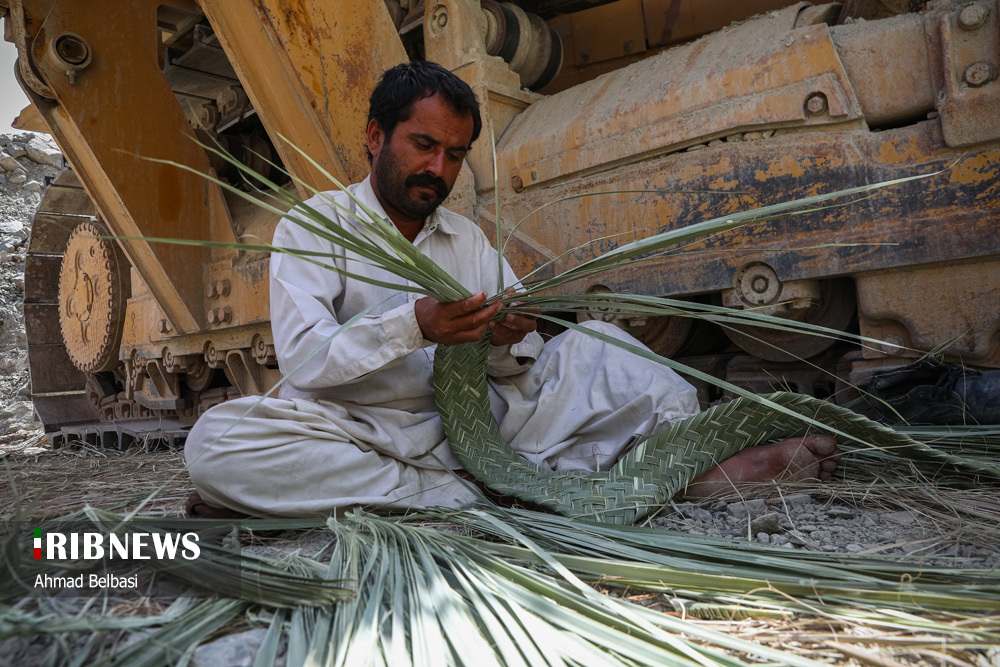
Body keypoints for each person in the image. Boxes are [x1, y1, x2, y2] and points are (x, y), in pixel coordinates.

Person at [184, 61, 840, 518]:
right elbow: (305, 361)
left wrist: (507, 338)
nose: (438, 169)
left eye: (455, 153)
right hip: (356, 430)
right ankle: (487, 492)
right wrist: (416, 323)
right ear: (376, 136)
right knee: (217, 444)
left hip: (486, 425)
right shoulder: (315, 226)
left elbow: (523, 355)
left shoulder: (463, 237)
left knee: (613, 348)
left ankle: (671, 466)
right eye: (423, 145)